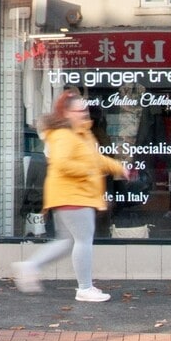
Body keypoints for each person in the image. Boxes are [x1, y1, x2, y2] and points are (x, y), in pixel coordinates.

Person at [13, 90, 125, 302]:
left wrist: (118, 167)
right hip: (73, 195)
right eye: (79, 111)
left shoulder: (80, 133)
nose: (84, 114)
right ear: (66, 113)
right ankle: (84, 288)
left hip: (72, 195)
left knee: (67, 242)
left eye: (85, 110)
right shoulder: (64, 136)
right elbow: (62, 163)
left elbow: (95, 159)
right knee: (83, 240)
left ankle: (30, 266)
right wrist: (89, 170)